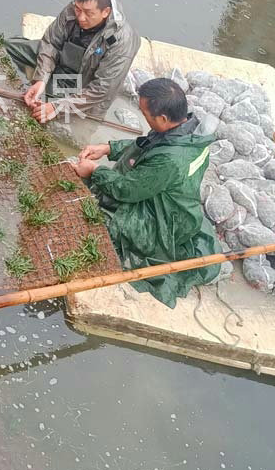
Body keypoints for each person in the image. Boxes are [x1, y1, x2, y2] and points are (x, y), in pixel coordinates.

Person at [72, 78, 220, 307]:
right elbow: (149, 144)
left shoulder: (170, 160)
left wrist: (94, 170)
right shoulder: (189, 134)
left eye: (146, 114)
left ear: (163, 117)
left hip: (164, 220)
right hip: (177, 202)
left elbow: (126, 190)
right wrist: (108, 148)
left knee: (103, 224)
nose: (144, 119)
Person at [5, 0, 140, 123]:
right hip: (63, 60)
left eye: (88, 13)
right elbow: (51, 42)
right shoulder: (76, 7)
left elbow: (101, 89)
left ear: (105, 12)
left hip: (84, 82)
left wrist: (58, 108)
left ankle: (53, 96)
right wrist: (41, 80)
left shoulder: (123, 40)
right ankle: (46, 84)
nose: (81, 17)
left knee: (44, 114)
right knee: (9, 46)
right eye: (78, 10)